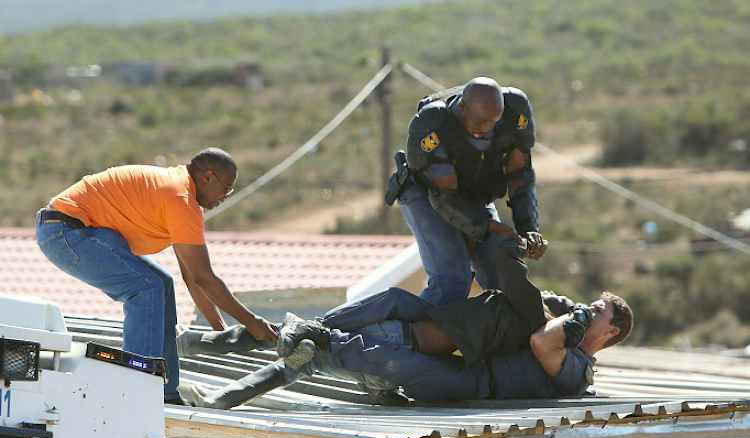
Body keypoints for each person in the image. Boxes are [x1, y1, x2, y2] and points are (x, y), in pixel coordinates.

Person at [182, 243, 632, 408]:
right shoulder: (563, 331)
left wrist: (572, 319)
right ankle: (223, 356)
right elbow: (515, 292)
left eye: (596, 314)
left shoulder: (578, 368)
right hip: (462, 364)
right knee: (380, 309)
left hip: (470, 385)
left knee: (351, 357)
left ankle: (221, 358)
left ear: (608, 334)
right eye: (588, 307)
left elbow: (541, 339)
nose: (585, 312)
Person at [35, 147, 277, 404]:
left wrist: (222, 332)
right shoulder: (180, 198)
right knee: (146, 288)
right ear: (208, 177)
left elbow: (191, 277)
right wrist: (251, 321)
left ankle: (165, 393)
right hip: (64, 231)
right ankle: (140, 389)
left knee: (161, 283)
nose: (226, 196)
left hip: (79, 230)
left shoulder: (181, 195)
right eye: (227, 188)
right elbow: (204, 278)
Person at [393, 76, 547, 305]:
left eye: (492, 122)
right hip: (429, 196)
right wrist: (498, 229)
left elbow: (519, 173)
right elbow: (447, 201)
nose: (484, 129)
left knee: (504, 280)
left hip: (474, 195)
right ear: (462, 107)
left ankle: (499, 339)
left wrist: (528, 230)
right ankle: (408, 336)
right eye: (478, 122)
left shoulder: (514, 112)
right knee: (452, 282)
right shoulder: (435, 124)